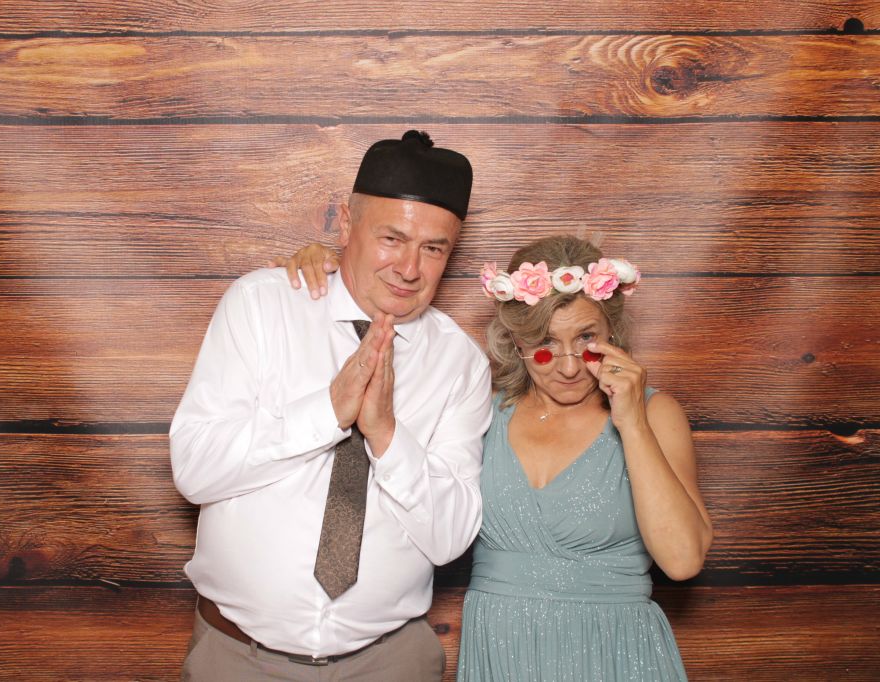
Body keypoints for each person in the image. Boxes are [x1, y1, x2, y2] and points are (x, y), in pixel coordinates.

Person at [276, 234, 713, 681]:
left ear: (612, 333)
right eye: (544, 344)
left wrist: (632, 422)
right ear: (516, 342)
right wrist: (333, 278)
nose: (568, 367)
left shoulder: (654, 414)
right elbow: (392, 480)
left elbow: (682, 561)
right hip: (502, 652)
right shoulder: (480, 412)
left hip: (615, 652)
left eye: (587, 340)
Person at [169, 130, 493, 681]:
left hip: (392, 662)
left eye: (433, 249)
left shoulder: (461, 363)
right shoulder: (262, 305)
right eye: (392, 238)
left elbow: (450, 538)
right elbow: (195, 470)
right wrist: (327, 413)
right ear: (345, 223)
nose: (409, 268)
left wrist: (386, 435)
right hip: (238, 658)